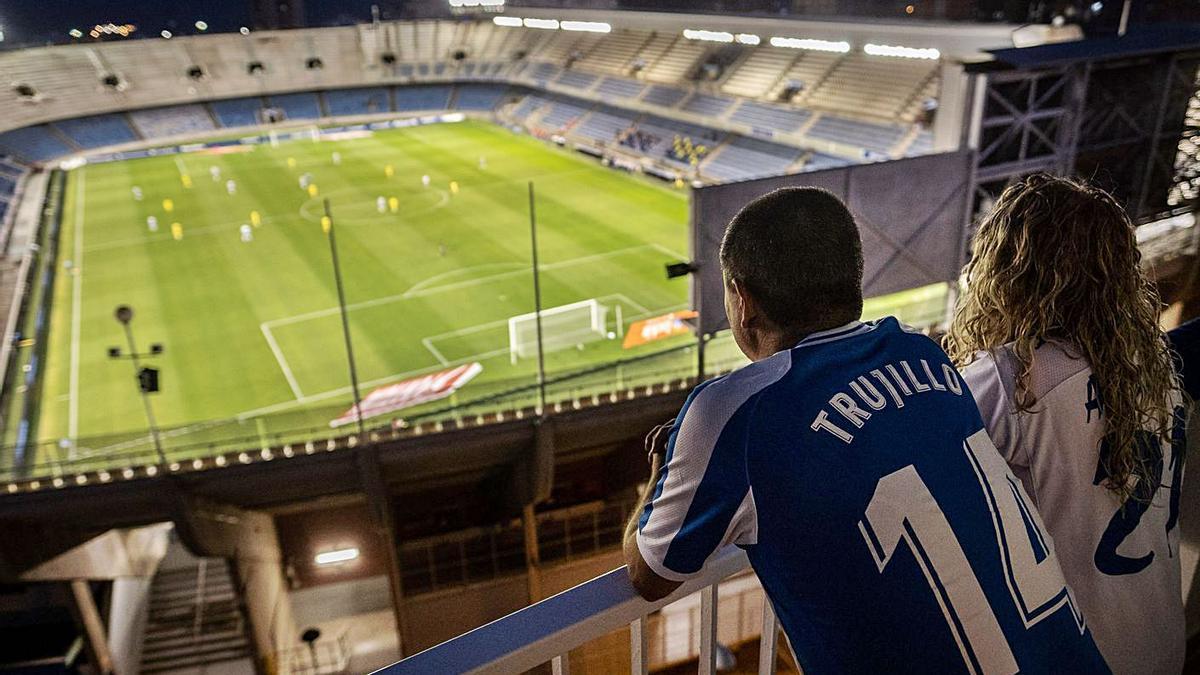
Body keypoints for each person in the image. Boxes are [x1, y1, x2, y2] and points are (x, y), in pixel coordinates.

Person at [623, 187, 1108, 673]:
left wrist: (657, 477)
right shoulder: (928, 356)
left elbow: (652, 572)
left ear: (742, 300)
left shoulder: (735, 412)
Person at [945, 174, 1184, 675]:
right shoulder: (1155, 365)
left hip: (1077, 656)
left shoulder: (1006, 381)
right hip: (1162, 638)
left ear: (1009, 270)